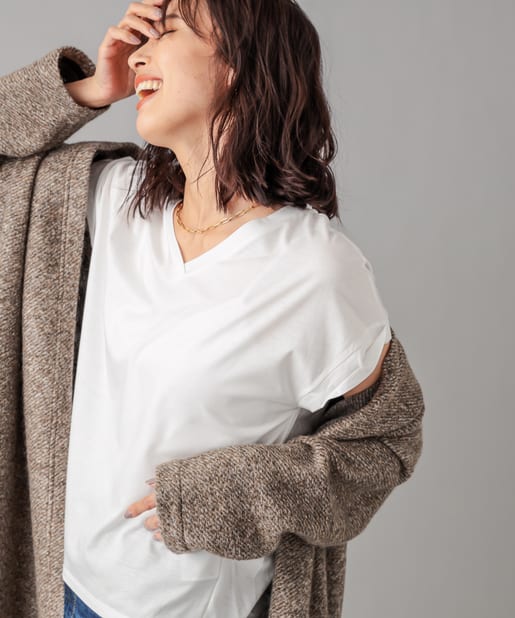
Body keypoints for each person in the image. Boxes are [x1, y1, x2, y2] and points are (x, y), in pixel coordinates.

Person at [0, 1, 424, 617]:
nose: (138, 54)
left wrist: (230, 493)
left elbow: (386, 444)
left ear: (238, 64)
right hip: (56, 588)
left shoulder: (316, 270)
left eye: (168, 32)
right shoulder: (111, 200)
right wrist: (89, 90)